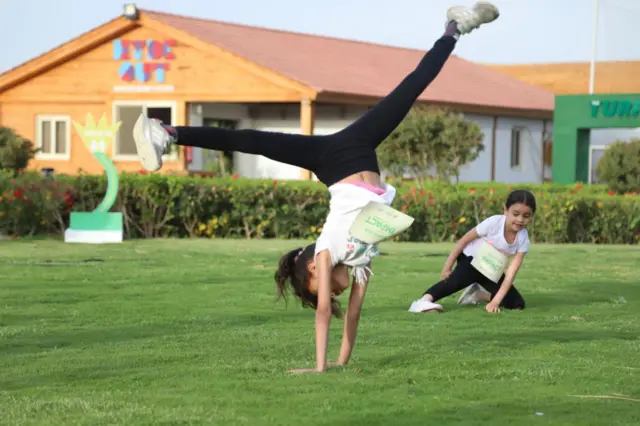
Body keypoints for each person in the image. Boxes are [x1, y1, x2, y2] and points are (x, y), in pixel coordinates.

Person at [132, 2, 500, 373]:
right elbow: (353, 315)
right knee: (411, 90)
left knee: (255, 139)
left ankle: (168, 132)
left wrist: (318, 367)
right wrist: (341, 365)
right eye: (330, 290)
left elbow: (324, 312)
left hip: (330, 159)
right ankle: (453, 27)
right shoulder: (361, 265)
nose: (333, 292)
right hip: (361, 149)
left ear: (311, 267)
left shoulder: (326, 251)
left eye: (322, 287)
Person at [408, 189, 536, 314]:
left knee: (517, 303)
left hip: (492, 269)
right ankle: (422, 301)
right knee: (454, 283)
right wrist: (447, 267)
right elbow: (463, 241)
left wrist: (495, 302)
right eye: (515, 214)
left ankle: (478, 295)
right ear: (506, 210)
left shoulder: (523, 239)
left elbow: (511, 274)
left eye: (526, 216)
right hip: (471, 259)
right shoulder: (493, 223)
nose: (520, 220)